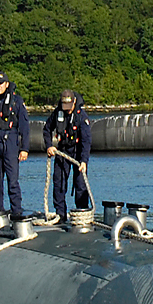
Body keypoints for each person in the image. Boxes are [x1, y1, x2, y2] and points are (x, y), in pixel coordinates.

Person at [0, 73, 30, 220]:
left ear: (7, 84)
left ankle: (16, 212)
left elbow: (24, 127)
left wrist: (24, 148)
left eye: (1, 83)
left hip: (10, 142)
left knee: (12, 181)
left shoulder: (16, 101)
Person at [45, 90, 92, 222]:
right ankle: (61, 214)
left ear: (74, 101)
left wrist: (84, 161)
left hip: (77, 152)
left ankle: (82, 213)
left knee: (80, 185)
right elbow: (47, 129)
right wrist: (49, 145)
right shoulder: (58, 113)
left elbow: (86, 141)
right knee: (59, 183)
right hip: (63, 150)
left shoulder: (82, 117)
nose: (67, 110)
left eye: (69, 106)